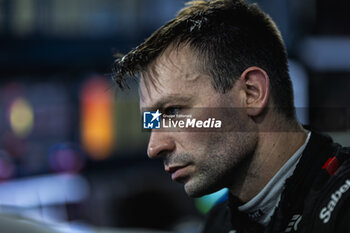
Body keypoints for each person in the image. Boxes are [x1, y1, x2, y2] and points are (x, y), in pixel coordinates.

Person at [111, 0, 350, 232]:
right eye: (151, 121)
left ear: (251, 93)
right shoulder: (218, 223)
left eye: (173, 111)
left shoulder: (343, 207)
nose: (153, 148)